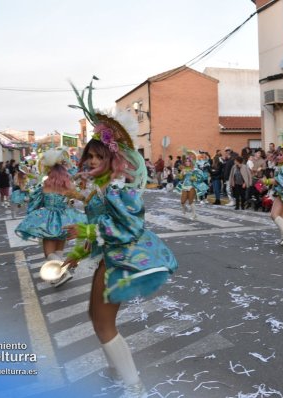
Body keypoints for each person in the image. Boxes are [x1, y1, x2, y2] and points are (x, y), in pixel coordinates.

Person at [63, 81, 178, 397]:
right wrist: (74, 256)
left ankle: (133, 386)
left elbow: (129, 227)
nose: (89, 163)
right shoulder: (101, 189)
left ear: (111, 160)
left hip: (121, 256)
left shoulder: (116, 188)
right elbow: (99, 228)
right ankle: (119, 370)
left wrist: (88, 232)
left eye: (96, 158)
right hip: (109, 257)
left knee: (102, 324)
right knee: (97, 318)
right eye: (87, 157)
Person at [16, 149, 87, 287]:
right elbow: (82, 198)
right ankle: (58, 275)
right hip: (65, 220)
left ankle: (63, 273)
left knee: (49, 253)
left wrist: (32, 215)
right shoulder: (68, 186)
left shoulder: (45, 185)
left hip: (48, 220)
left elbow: (34, 203)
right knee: (59, 250)